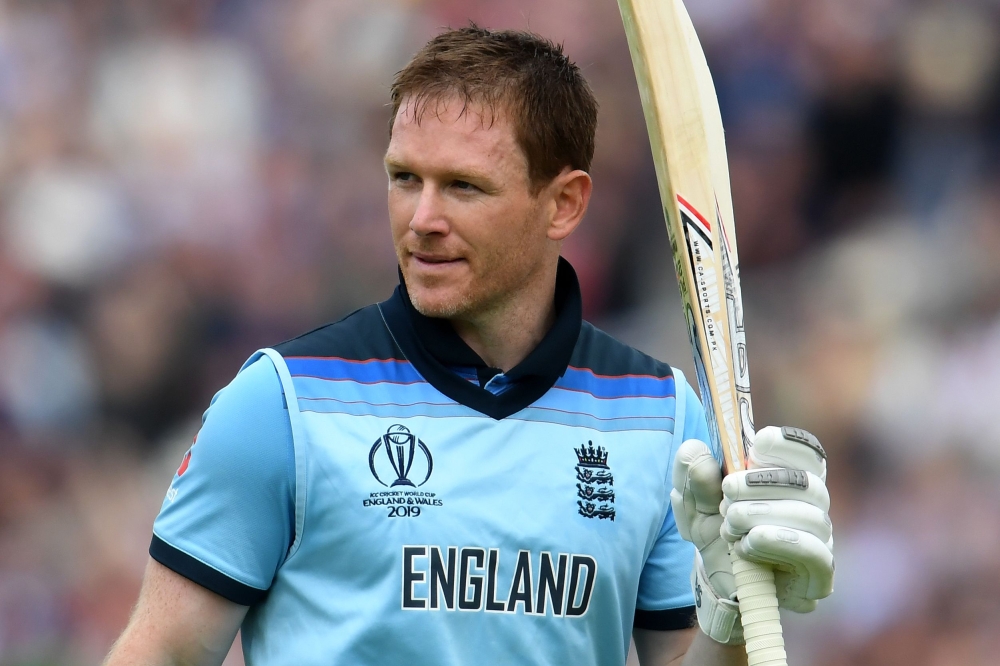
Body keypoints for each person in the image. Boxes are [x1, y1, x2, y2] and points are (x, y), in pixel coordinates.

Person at [104, 27, 833, 666]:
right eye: (403, 179)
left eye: (462, 187)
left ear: (565, 203)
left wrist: (729, 614)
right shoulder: (281, 402)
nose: (421, 219)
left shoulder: (662, 415)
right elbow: (161, 652)